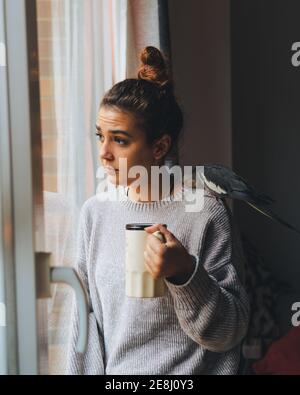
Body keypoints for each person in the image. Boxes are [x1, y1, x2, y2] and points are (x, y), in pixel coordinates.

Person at [66, 46, 249, 375]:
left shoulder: (206, 214)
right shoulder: (95, 214)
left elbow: (230, 333)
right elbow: (84, 323)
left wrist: (185, 273)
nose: (104, 153)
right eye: (99, 136)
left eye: (119, 140)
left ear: (159, 147)